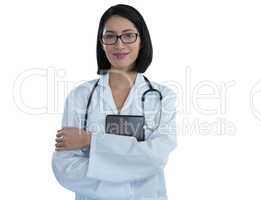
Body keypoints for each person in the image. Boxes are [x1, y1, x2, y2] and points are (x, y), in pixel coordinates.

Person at [52, 4, 177, 200]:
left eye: (128, 35)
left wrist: (91, 140)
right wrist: (132, 168)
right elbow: (65, 167)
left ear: (141, 40)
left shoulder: (163, 97)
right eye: (110, 36)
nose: (119, 45)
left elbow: (156, 157)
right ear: (101, 43)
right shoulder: (80, 97)